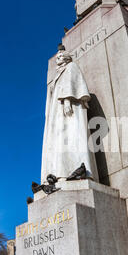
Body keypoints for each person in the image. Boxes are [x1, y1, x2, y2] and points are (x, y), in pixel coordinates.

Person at [41, 46, 98, 183]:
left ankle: (77, 169)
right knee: (61, 142)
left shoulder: (72, 66)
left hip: (70, 106)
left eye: (61, 56)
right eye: (57, 57)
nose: (58, 58)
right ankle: (60, 173)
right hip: (57, 112)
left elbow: (73, 83)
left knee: (73, 136)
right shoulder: (57, 75)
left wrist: (67, 100)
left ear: (67, 57)